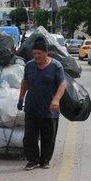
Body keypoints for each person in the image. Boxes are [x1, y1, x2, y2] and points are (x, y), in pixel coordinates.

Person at [17, 37, 67, 171]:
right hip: (32, 106)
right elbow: (25, 82)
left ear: (46, 53)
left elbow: (63, 83)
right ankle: (32, 160)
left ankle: (45, 160)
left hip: (50, 109)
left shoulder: (56, 66)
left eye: (39, 53)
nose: (36, 56)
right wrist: (21, 98)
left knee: (48, 137)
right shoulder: (30, 65)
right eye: (34, 54)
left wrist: (56, 99)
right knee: (29, 137)